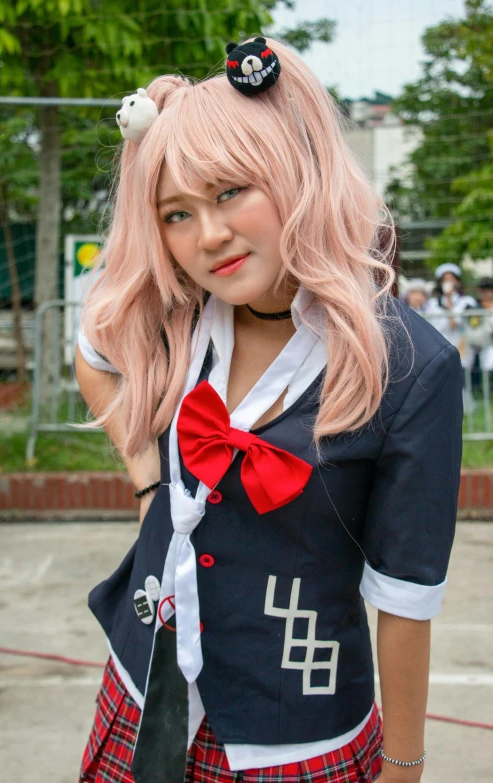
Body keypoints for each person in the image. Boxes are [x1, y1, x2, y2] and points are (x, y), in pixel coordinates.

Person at [75, 36, 463, 783]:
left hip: (299, 733)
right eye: (176, 214)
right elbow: (94, 361)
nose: (208, 235)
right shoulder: (180, 311)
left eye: (228, 193)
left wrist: (405, 764)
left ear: (295, 172)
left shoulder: (411, 366)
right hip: (142, 689)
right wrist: (149, 479)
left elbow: (406, 593)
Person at [424, 263, 477, 368]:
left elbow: (454, 324)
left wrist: (449, 301)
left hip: (462, 350)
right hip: (439, 350)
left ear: (458, 282)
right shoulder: (432, 303)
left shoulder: (466, 301)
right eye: (444, 280)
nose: (448, 283)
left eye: (451, 279)